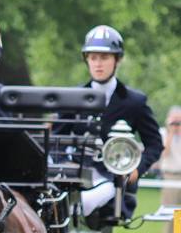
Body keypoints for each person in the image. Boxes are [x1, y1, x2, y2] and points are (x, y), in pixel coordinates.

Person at [57, 26, 162, 220]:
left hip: (114, 182)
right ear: (87, 60)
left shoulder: (134, 102)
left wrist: (137, 170)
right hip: (75, 175)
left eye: (104, 58)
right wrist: (63, 162)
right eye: (93, 58)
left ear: (117, 60)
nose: (98, 64)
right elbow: (56, 139)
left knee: (96, 196)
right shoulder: (72, 98)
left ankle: (76, 208)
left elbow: (155, 144)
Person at [157, 106, 181, 233]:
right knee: (170, 213)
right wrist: (171, 132)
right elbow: (164, 153)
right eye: (174, 121)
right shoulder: (163, 134)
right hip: (170, 176)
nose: (177, 124)